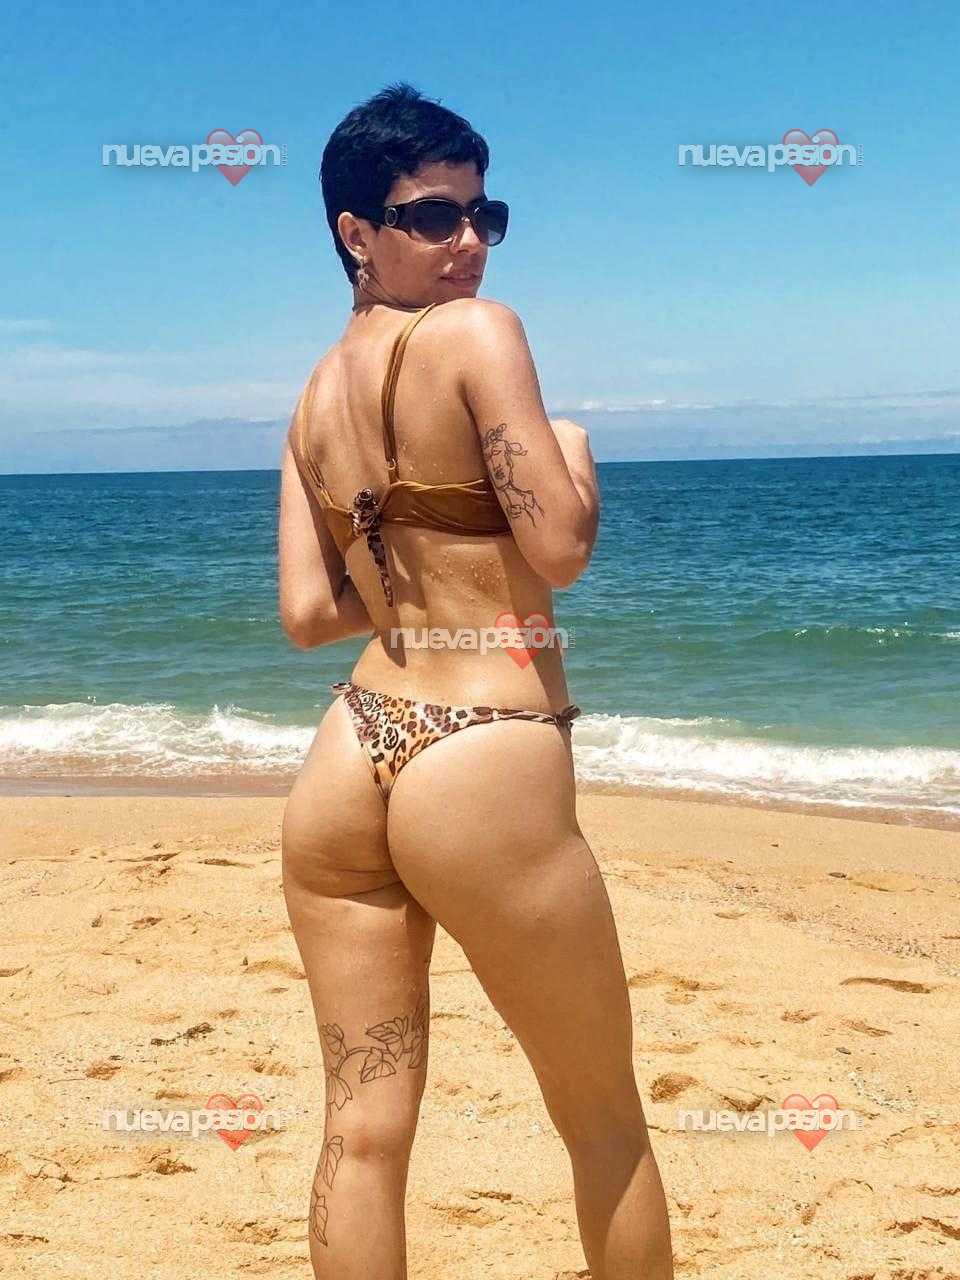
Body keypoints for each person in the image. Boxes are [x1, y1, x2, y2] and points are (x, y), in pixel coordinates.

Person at [278, 82, 674, 1280]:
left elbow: (309, 613)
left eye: (485, 215)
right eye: (435, 215)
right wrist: (577, 462)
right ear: (356, 231)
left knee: (362, 1130)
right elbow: (560, 545)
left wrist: (422, 568)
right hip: (482, 744)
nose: (469, 243)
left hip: (354, 746)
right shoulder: (479, 335)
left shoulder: (311, 395)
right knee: (603, 1118)